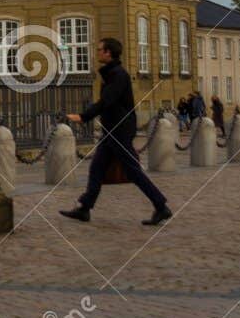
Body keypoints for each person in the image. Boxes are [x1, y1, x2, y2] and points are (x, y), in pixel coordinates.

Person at [60, 37, 173, 226]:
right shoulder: (111, 73)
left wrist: (84, 116)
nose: (97, 53)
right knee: (97, 167)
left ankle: (161, 206)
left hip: (119, 131)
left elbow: (107, 101)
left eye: (99, 50)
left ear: (108, 52)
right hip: (111, 130)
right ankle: (84, 208)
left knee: (133, 171)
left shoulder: (118, 75)